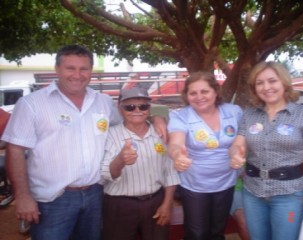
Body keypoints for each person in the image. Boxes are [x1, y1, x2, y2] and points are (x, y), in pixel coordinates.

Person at [1, 45, 167, 240]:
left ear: (91, 71)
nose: (77, 75)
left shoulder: (103, 102)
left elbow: (130, 120)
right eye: (70, 68)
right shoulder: (31, 104)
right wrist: (22, 197)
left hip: (96, 195)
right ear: (57, 69)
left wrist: (155, 118)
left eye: (84, 69)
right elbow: (15, 150)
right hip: (53, 200)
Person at [229, 61, 303, 240]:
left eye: (272, 81)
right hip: (253, 193)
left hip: (289, 195)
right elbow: (237, 143)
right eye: (260, 83)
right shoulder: (249, 114)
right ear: (254, 88)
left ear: (284, 82)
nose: (266, 87)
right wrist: (235, 153)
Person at [167, 71, 243, 240]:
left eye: (204, 91)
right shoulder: (181, 116)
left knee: (217, 232)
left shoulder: (234, 112)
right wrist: (178, 155)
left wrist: (238, 152)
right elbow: (175, 143)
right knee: (197, 234)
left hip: (226, 182)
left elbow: (242, 139)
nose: (199, 97)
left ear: (215, 91)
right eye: (193, 93)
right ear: (186, 96)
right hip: (195, 185)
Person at [101, 87, 180, 240]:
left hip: (155, 201)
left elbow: (170, 172)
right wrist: (120, 160)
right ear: (120, 108)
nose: (137, 110)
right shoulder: (110, 135)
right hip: (120, 204)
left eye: (143, 106)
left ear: (149, 108)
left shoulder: (160, 133)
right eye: (130, 107)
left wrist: (167, 203)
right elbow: (106, 174)